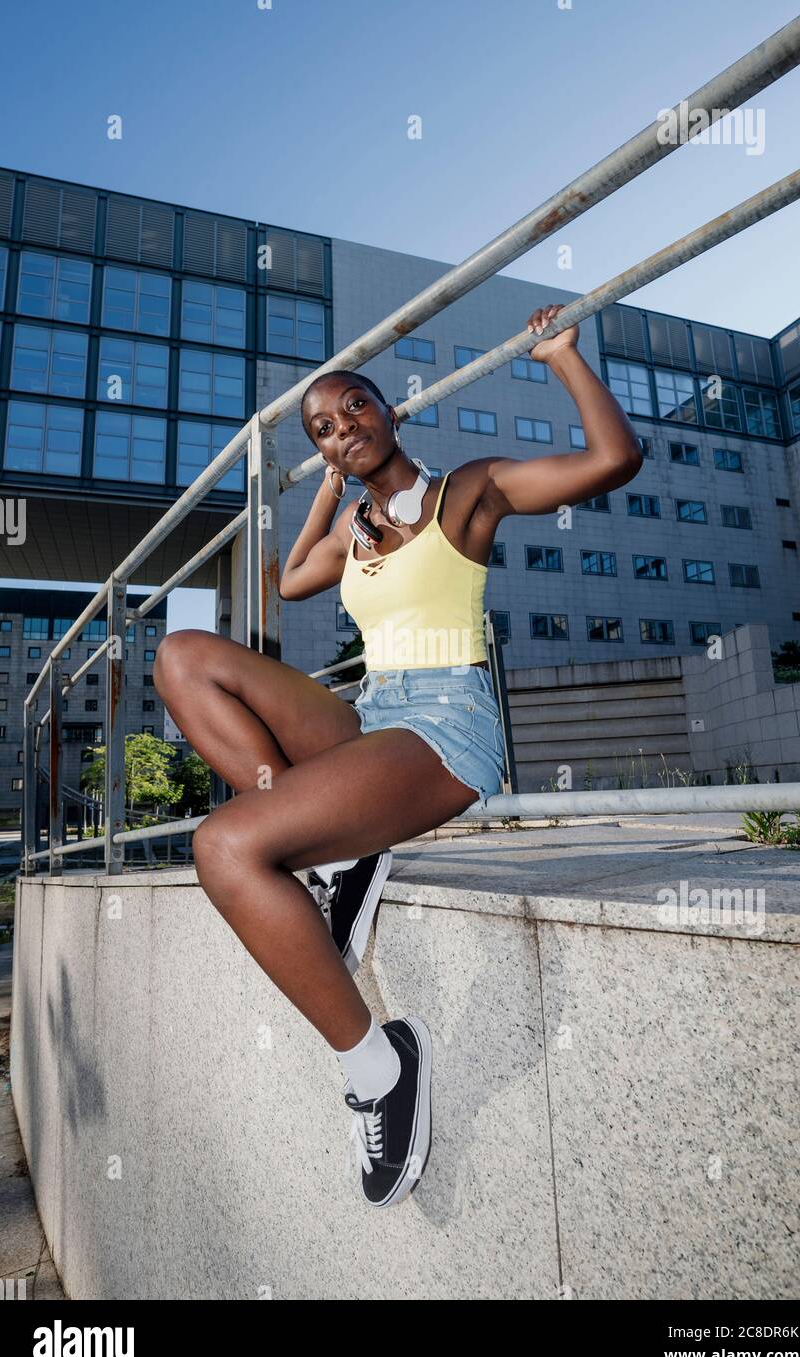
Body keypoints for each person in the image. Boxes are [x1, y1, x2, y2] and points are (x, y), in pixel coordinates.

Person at [152, 307, 643, 1209]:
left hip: (444, 732)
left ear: (392, 411)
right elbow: (288, 579)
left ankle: (378, 1069)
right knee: (182, 656)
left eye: (355, 411)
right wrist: (326, 499)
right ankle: (335, 851)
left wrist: (564, 359)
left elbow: (612, 461)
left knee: (224, 847)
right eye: (324, 431)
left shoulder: (470, 490)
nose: (343, 431)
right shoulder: (358, 534)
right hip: (374, 723)